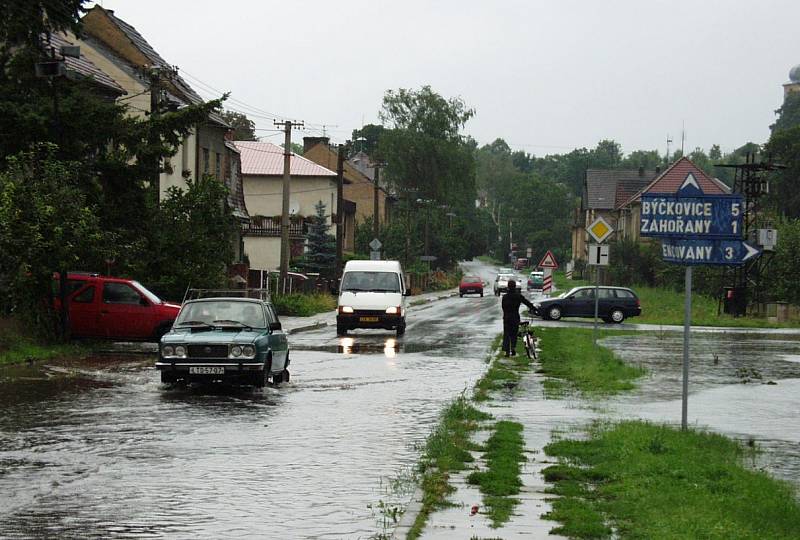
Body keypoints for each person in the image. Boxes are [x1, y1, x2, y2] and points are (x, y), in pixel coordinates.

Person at [501, 280, 534, 357]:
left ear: (508, 287)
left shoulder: (505, 297)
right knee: (514, 334)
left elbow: (503, 307)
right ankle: (513, 348)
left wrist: (506, 314)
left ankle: (507, 351)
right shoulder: (518, 296)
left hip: (507, 317)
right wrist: (533, 308)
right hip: (515, 317)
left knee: (507, 334)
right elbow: (527, 302)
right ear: (515, 286)